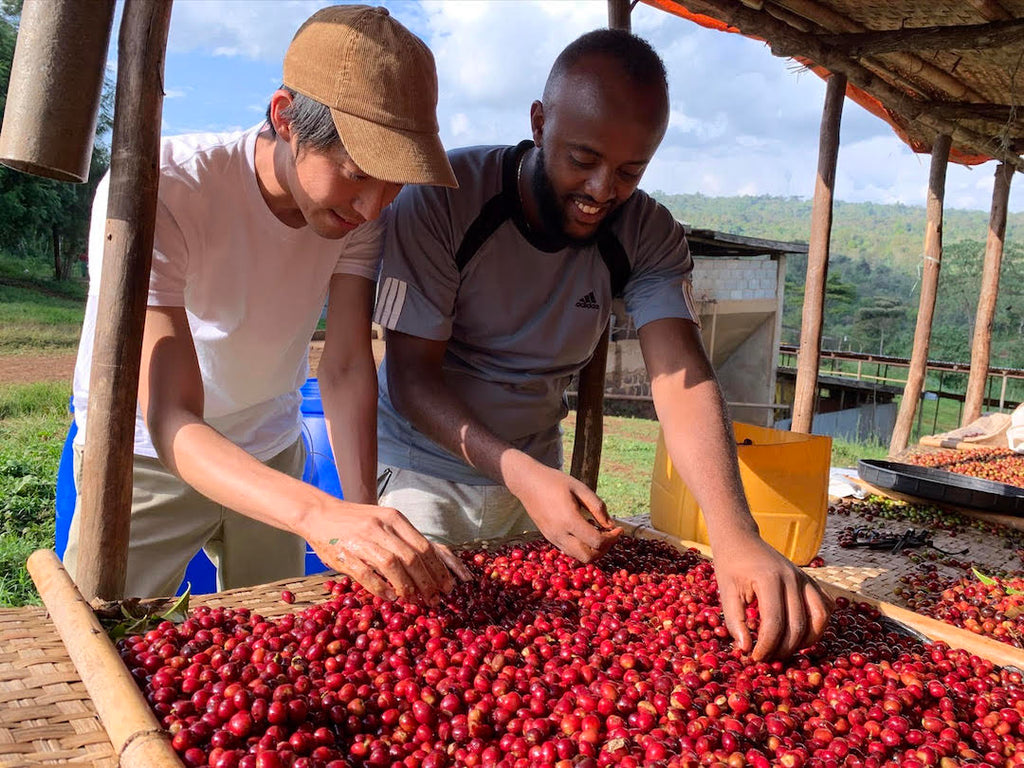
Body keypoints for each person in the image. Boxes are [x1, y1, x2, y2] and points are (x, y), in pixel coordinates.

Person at [373, 28, 831, 660]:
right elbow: (411, 378)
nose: (599, 191)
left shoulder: (646, 232)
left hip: (536, 478)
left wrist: (735, 533)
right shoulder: (444, 201)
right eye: (581, 159)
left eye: (629, 172)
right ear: (539, 122)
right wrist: (522, 474)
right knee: (420, 657)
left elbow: (682, 378)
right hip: (424, 474)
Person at [65, 5, 469, 601]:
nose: (372, 207)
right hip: (148, 457)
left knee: (279, 641)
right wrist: (315, 516)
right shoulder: (167, 188)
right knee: (110, 633)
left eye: (394, 183)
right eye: (356, 173)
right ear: (286, 119)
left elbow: (349, 364)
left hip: (273, 445)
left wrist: (360, 516)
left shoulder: (362, 213)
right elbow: (172, 415)